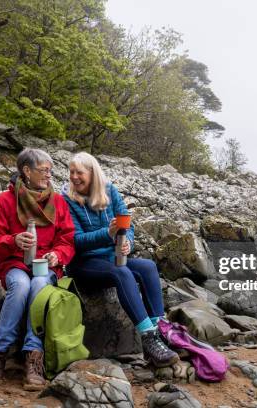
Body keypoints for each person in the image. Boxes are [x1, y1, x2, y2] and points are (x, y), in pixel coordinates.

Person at [61, 152, 178, 367]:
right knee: (121, 272)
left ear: (93, 173)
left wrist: (128, 242)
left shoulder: (109, 190)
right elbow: (74, 240)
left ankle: (160, 330)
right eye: (72, 172)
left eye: (80, 172)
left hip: (111, 257)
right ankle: (148, 339)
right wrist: (107, 234)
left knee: (148, 267)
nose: (74, 177)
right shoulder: (66, 199)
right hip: (83, 264)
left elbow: (127, 224)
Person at [0, 148, 75, 390]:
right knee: (22, 285)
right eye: (44, 170)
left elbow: (67, 238)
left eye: (50, 171)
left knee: (39, 285)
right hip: (14, 263)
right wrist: (12, 241)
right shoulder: (5, 200)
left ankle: (33, 356)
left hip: (46, 266)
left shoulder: (57, 201)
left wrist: (58, 254)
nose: (49, 175)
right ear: (26, 171)